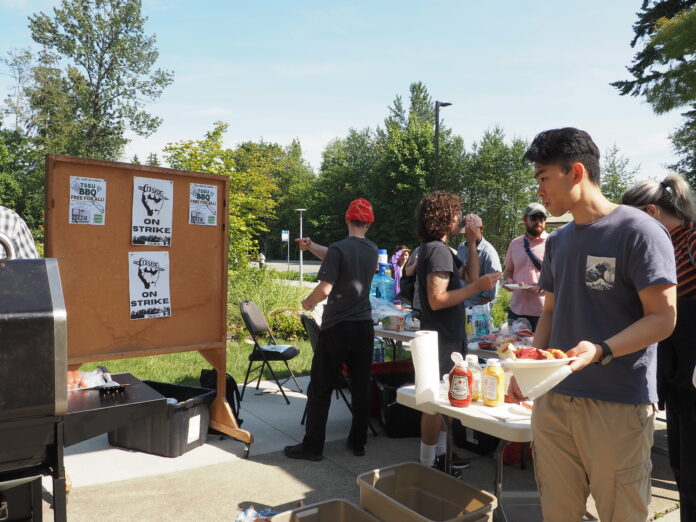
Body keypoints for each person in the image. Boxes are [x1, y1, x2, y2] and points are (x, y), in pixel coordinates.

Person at [512, 128, 677, 521]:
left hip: (616, 404)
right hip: (553, 403)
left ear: (576, 172)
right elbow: (549, 313)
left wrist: (601, 349)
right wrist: (528, 369)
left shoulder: (639, 231)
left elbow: (663, 318)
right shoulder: (559, 241)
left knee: (621, 512)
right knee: (558, 511)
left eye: (543, 177)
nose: (539, 190)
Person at [622, 174, 696, 522]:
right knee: (681, 465)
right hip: (678, 376)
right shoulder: (666, 243)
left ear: (651, 211)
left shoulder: (692, 240)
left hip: (692, 373)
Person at [284, 198, 378, 461]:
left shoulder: (339, 248)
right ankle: (358, 442)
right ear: (368, 223)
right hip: (364, 328)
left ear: (347, 219)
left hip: (337, 328)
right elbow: (342, 255)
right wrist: (311, 246)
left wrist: (307, 302)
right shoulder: (371, 249)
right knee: (360, 386)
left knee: (321, 387)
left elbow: (325, 288)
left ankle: (313, 447)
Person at [414, 192, 500, 473]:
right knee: (434, 403)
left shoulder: (444, 250)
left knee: (441, 402)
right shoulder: (437, 250)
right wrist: (477, 289)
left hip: (448, 335)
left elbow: (471, 277)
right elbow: (437, 299)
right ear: (442, 217)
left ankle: (440, 456)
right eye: (455, 213)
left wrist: (473, 244)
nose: (459, 218)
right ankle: (427, 464)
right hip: (440, 337)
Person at [501, 203, 548, 331]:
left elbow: (560, 275)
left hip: (542, 312)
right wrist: (508, 281)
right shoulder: (515, 243)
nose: (538, 221)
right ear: (524, 220)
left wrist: (544, 285)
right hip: (516, 310)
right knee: (514, 349)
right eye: (534, 218)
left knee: (539, 350)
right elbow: (508, 271)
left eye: (542, 218)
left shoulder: (552, 243)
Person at [456, 214, 502, 308]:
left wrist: (475, 310)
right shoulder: (462, 247)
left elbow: (492, 289)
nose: (467, 233)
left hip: (477, 310)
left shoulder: (488, 253)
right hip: (459, 304)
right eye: (465, 230)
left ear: (481, 229)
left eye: (471, 230)